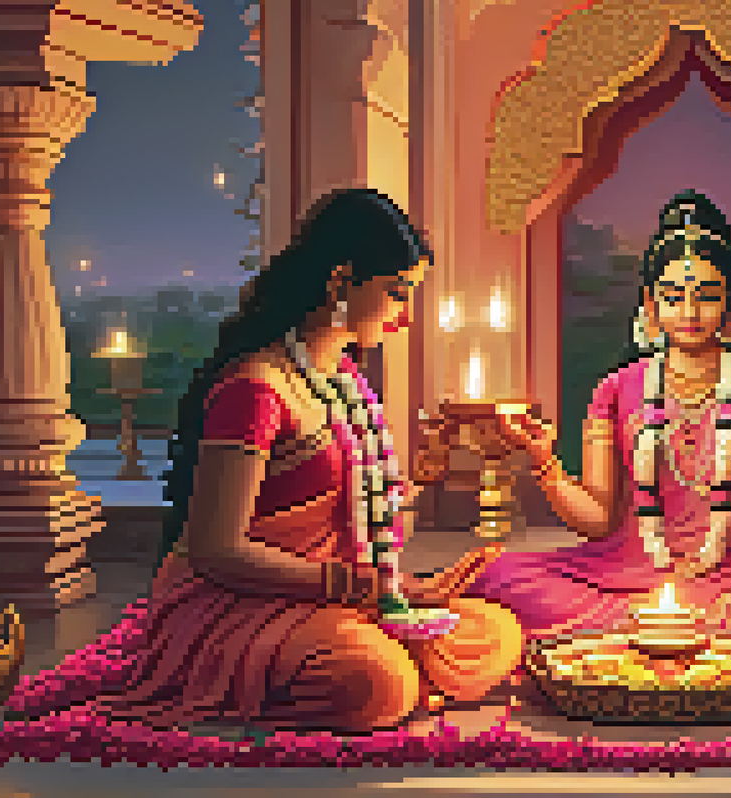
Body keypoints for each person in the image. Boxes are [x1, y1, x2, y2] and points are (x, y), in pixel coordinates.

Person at [55, 189, 521, 732]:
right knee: (377, 681)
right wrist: (358, 588)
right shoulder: (255, 390)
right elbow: (214, 549)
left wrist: (418, 503)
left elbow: (359, 513)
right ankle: (387, 682)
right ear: (341, 282)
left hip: (337, 600)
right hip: (244, 601)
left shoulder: (343, 383)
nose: (405, 318)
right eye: (396, 294)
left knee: (498, 630)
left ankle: (398, 673)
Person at [462, 190, 731, 664]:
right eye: (673, 296)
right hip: (630, 570)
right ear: (650, 303)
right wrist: (543, 462)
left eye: (706, 297)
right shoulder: (617, 389)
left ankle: (660, 625)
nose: (689, 312)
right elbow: (597, 519)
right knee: (500, 578)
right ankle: (710, 626)